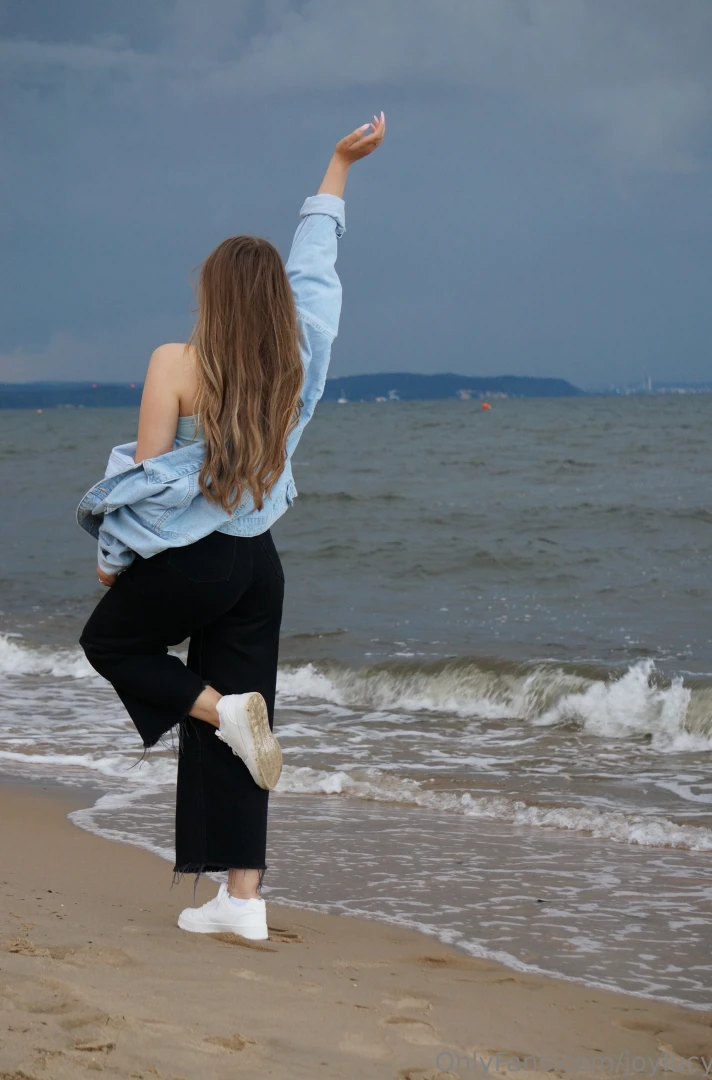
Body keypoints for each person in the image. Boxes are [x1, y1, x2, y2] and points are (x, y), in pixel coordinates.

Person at [77, 114, 386, 941]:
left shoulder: (175, 363)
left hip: (195, 561)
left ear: (212, 294)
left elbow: (144, 488)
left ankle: (220, 709)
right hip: (258, 565)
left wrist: (113, 561)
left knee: (113, 645)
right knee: (252, 724)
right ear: (275, 301)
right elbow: (316, 270)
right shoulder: (298, 357)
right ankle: (243, 900)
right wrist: (338, 168)